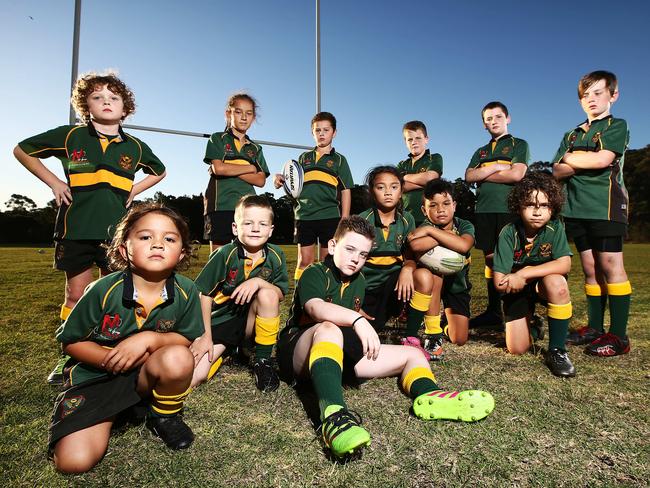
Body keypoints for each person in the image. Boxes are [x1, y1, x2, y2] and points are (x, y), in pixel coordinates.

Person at [276, 216, 494, 458]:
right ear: (334, 245)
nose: (356, 259)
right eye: (349, 249)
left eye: (363, 254)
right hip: (297, 351)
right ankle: (334, 418)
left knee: (412, 354)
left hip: (334, 352)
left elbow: (351, 310)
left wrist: (363, 320)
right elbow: (316, 309)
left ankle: (430, 394)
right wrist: (357, 321)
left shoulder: (359, 280)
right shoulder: (315, 272)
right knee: (328, 328)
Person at [13, 72, 167, 384]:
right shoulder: (70, 136)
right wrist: (55, 182)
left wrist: (134, 191)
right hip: (76, 229)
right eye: (98, 97)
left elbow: (160, 171)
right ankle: (69, 356)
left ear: (125, 108)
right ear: (86, 105)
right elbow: (22, 150)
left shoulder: (135, 147)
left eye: (114, 98)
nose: (106, 102)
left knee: (111, 295)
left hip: (115, 234)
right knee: (76, 293)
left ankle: (106, 349)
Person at [49, 203, 204, 473]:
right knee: (73, 462)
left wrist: (149, 340)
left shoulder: (187, 290)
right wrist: (111, 359)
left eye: (169, 239)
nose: (158, 244)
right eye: (146, 237)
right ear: (124, 249)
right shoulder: (102, 290)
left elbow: (186, 337)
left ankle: (163, 415)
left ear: (181, 253)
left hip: (144, 375)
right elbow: (71, 342)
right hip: (97, 378)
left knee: (178, 357)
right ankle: (121, 410)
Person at [552, 70, 632, 357]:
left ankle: (619, 336)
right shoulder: (571, 133)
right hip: (575, 208)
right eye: (586, 95)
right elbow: (557, 170)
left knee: (611, 267)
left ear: (613, 95)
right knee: (590, 270)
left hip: (606, 206)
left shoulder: (616, 125)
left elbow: (603, 159)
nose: (591, 99)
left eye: (598, 93)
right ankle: (595, 328)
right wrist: (578, 161)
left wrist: (572, 158)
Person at [192, 195, 288, 392]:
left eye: (262, 223)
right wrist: (206, 336)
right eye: (248, 223)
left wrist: (259, 282)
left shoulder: (276, 256)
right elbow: (203, 294)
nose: (255, 228)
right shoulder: (224, 254)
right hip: (221, 322)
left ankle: (262, 361)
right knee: (196, 375)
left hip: (249, 324)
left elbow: (279, 293)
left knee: (267, 294)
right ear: (235, 228)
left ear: (270, 231)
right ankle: (229, 351)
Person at [493, 172, 576, 377]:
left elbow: (565, 263)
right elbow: (499, 283)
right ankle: (535, 327)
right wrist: (517, 279)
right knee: (517, 349)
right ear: (518, 206)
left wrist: (526, 273)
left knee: (557, 283)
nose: (537, 212)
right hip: (517, 289)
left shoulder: (555, 227)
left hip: (542, 284)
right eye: (530, 204)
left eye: (545, 205)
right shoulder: (508, 233)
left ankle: (557, 350)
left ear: (553, 208)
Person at [465, 102, 529, 329]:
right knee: (490, 260)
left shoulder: (518, 144)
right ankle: (494, 311)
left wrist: (485, 173)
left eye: (498, 117)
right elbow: (469, 176)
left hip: (508, 210)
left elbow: (517, 175)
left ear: (508, 118)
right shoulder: (480, 151)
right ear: (484, 124)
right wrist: (497, 168)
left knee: (511, 260)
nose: (494, 121)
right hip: (484, 210)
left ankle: (517, 313)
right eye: (489, 118)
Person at [274, 112, 354, 282]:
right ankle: (299, 302)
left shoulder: (340, 160)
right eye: (317, 130)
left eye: (326, 130)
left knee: (328, 262)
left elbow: (346, 190)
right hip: (304, 215)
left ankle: (324, 301)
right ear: (312, 133)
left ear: (334, 133)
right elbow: (293, 185)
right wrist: (279, 181)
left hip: (330, 216)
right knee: (305, 262)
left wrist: (345, 217)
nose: (321, 134)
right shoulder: (304, 158)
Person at [405, 180, 475, 360]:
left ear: (454, 205)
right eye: (433, 205)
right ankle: (433, 333)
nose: (440, 210)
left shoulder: (464, 225)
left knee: (459, 338)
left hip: (457, 287)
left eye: (446, 204)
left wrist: (432, 232)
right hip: (431, 285)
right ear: (424, 210)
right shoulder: (424, 226)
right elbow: (416, 245)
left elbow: (464, 244)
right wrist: (445, 235)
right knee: (435, 273)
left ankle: (444, 323)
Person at [203, 93, 269, 253]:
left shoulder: (255, 148)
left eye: (249, 113)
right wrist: (250, 168)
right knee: (219, 257)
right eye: (239, 112)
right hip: (220, 205)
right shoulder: (218, 138)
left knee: (245, 256)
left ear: (253, 118)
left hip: (247, 208)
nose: (244, 117)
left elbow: (260, 180)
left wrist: (229, 168)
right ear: (228, 114)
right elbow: (219, 168)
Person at [358, 166, 417, 331]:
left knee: (419, 273)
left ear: (401, 191)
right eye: (380, 187)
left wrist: (407, 269)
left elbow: (411, 257)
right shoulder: (362, 220)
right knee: (369, 328)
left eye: (394, 187)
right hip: (365, 289)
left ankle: (406, 317)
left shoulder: (407, 220)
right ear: (371, 191)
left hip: (394, 286)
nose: (388, 192)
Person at [397, 121, 443, 226]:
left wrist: (405, 176)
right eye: (410, 139)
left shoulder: (434, 158)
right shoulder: (402, 164)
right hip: (405, 218)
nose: (414, 142)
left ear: (426, 139)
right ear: (405, 142)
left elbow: (431, 178)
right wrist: (425, 183)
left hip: (428, 217)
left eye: (418, 138)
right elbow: (397, 187)